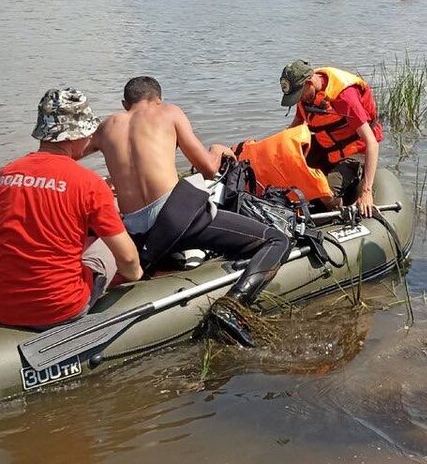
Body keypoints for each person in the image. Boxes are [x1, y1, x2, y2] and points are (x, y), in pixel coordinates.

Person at [91, 76, 292, 345]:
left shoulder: (107, 126)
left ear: (124, 104)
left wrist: (103, 182)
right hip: (175, 220)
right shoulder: (169, 112)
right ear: (157, 99)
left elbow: (68, 153)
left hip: (136, 231)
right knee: (276, 240)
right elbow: (208, 169)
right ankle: (232, 306)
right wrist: (216, 149)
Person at [0, 88, 144, 330]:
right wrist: (137, 276)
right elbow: (128, 258)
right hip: (60, 305)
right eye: (87, 132)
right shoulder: (88, 183)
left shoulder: (8, 174)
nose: (90, 139)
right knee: (110, 248)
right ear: (74, 136)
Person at [279, 61, 383, 215]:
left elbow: (371, 143)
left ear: (309, 83)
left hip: (354, 151)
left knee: (324, 193)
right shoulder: (306, 96)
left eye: (298, 95)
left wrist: (367, 191)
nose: (298, 100)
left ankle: (338, 208)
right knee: (290, 169)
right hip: (327, 147)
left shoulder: (345, 97)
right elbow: (294, 129)